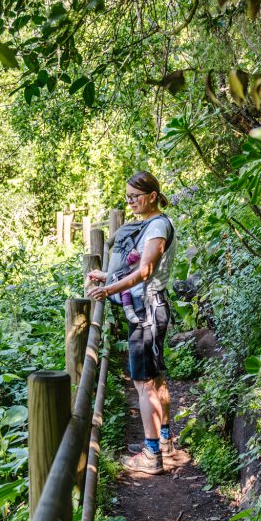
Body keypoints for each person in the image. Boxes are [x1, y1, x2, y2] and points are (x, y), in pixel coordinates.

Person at [86, 171, 176, 475]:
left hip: (146, 310)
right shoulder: (152, 223)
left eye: (134, 197)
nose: (130, 202)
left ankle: (152, 456)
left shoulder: (158, 225)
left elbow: (146, 269)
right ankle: (164, 441)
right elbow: (135, 267)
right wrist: (109, 277)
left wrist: (110, 289)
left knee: (143, 383)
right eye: (127, 197)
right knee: (155, 377)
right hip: (149, 307)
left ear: (152, 196)